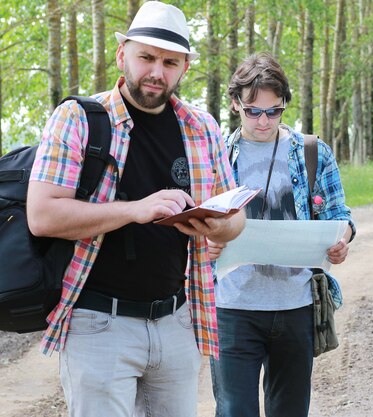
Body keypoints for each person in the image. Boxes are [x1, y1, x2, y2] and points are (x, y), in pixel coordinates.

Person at [26, 2, 245, 416]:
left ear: (185, 68)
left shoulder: (202, 128)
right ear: (121, 54)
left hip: (178, 320)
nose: (156, 72)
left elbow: (235, 220)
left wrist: (214, 228)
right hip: (98, 323)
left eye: (169, 62)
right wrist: (133, 210)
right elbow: (43, 216)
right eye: (145, 57)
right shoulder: (78, 118)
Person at [208, 51, 356, 417]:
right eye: (253, 111)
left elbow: (341, 215)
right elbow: (194, 223)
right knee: (234, 411)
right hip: (232, 309)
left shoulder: (312, 152)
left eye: (274, 111)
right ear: (234, 105)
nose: (263, 121)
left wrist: (343, 240)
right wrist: (204, 244)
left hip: (296, 308)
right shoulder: (216, 155)